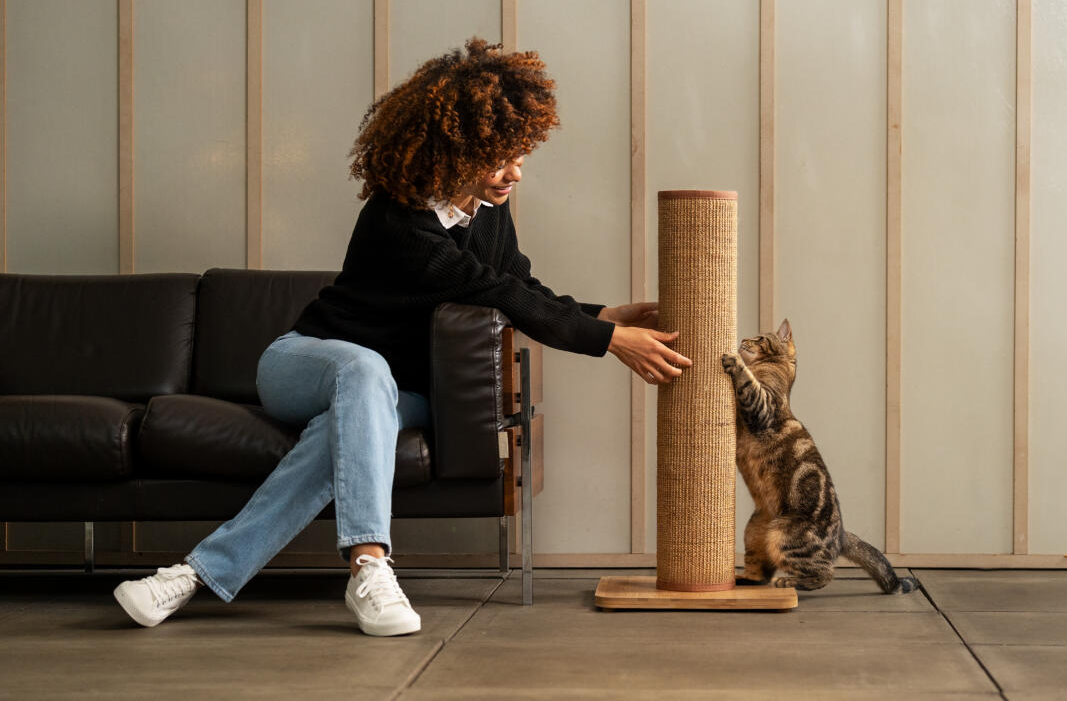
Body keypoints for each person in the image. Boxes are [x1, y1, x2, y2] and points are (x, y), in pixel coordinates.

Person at [112, 39, 691, 636]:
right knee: (363, 370)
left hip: (394, 393)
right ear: (454, 150)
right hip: (304, 364)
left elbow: (520, 283)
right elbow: (497, 292)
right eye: (499, 160)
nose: (515, 173)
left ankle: (191, 574)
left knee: (351, 419)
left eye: (519, 157)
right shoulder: (399, 221)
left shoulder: (489, 212)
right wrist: (607, 340)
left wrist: (604, 314)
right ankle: (370, 564)